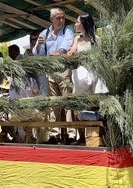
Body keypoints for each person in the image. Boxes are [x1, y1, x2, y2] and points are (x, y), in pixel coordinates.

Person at [32, 7, 74, 144]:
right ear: (51, 19)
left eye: (63, 17)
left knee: (67, 102)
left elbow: (67, 44)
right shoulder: (45, 33)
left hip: (63, 70)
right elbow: (36, 53)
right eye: (58, 18)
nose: (61, 20)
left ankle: (70, 133)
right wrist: (38, 45)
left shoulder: (68, 30)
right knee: (53, 102)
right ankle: (54, 134)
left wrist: (60, 51)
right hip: (50, 71)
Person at [67, 13, 108, 145]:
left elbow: (102, 57)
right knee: (77, 105)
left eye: (77, 22)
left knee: (96, 105)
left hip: (95, 74)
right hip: (81, 76)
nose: (75, 24)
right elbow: (72, 52)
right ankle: (81, 137)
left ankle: (98, 137)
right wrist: (70, 54)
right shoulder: (76, 40)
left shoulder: (97, 39)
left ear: (83, 24)